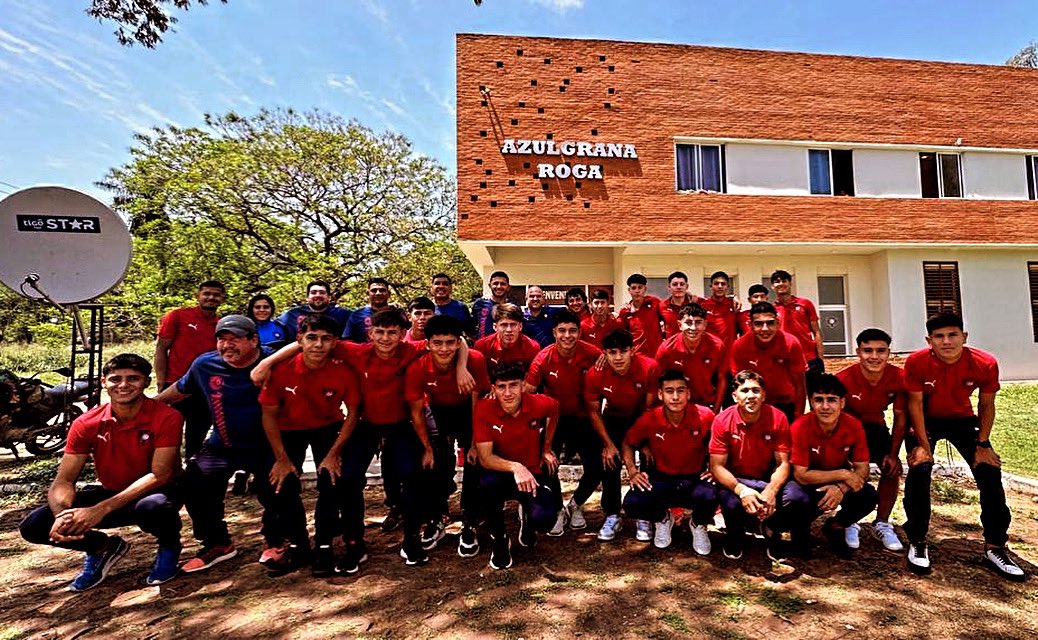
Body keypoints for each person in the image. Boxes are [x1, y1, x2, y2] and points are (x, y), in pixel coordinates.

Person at [253, 309, 449, 567]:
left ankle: (411, 538)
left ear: (403, 335)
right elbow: (307, 343)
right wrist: (267, 363)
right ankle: (354, 541)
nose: (386, 338)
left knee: (413, 476)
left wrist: (426, 445)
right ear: (370, 333)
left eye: (392, 333)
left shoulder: (412, 351)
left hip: (400, 425)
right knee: (347, 481)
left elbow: (456, 341)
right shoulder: (354, 351)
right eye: (380, 332)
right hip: (364, 425)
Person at [19, 354, 184, 591]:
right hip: (112, 492)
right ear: (104, 382)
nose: (124, 385)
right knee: (34, 525)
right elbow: (64, 480)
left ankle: (169, 546)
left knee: (154, 507)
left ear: (146, 382)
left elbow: (161, 474)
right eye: (116, 379)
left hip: (156, 492)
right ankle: (102, 548)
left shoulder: (167, 417)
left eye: (133, 379)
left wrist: (100, 509)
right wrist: (63, 516)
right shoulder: (86, 423)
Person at [901, 312, 1024, 580]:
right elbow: (914, 405)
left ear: (964, 337)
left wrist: (983, 444)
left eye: (952, 335)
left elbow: (986, 404)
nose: (946, 341)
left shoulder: (985, 363)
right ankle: (918, 541)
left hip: (963, 420)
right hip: (926, 420)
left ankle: (995, 547)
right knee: (920, 470)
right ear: (929, 340)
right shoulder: (917, 361)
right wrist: (923, 445)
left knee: (989, 473)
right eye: (939, 336)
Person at [155, 316, 280, 574]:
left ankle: (276, 540)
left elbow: (305, 345)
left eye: (235, 339)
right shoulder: (205, 364)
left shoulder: (275, 360)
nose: (227, 345)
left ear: (254, 340)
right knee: (196, 485)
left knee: (277, 492)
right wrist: (148, 406)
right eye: (222, 339)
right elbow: (180, 389)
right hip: (222, 444)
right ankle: (217, 543)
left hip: (268, 446)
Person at [258, 315, 362, 577]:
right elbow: (268, 415)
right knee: (283, 484)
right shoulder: (281, 370)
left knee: (331, 482)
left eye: (326, 339)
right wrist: (281, 458)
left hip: (327, 428)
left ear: (335, 342)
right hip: (288, 430)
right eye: (312, 338)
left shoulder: (342, 370)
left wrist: (334, 453)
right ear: (299, 340)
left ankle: (325, 545)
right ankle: (298, 544)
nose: (319, 345)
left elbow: (352, 413)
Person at [405, 315, 490, 556]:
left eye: (450, 342)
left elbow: (479, 403)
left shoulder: (475, 359)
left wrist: (474, 443)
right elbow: (416, 411)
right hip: (439, 411)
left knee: (475, 463)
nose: (444, 349)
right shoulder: (418, 366)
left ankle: (470, 521)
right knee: (436, 464)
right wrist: (427, 447)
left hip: (469, 411)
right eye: (438, 343)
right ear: (427, 343)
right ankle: (436, 517)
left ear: (458, 342)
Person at [472, 362, 560, 570]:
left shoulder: (538, 403)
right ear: (493, 389)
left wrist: (546, 447)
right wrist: (516, 467)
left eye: (514, 385)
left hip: (531, 473)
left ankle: (528, 519)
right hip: (500, 472)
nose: (508, 392)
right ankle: (500, 539)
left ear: (523, 386)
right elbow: (485, 458)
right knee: (485, 486)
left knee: (545, 520)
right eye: (501, 387)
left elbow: (554, 410)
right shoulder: (483, 409)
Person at [709, 370, 805, 560]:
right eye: (745, 391)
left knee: (796, 497)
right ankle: (735, 535)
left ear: (764, 395)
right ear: (734, 396)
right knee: (730, 501)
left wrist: (771, 491)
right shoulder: (721, 420)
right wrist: (742, 491)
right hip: (737, 481)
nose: (751, 396)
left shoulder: (778, 417)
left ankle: (772, 529)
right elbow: (717, 467)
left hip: (766, 479)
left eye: (756, 390)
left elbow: (783, 463)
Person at [523, 309, 602, 535]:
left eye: (573, 331)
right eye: (562, 331)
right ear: (554, 332)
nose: (568, 335)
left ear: (579, 332)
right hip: (553, 420)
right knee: (548, 465)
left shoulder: (593, 354)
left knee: (596, 468)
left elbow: (610, 376)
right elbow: (527, 393)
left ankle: (575, 506)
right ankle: (557, 509)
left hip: (584, 418)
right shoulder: (543, 358)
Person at [621, 369, 717, 554]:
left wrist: (715, 468)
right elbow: (627, 442)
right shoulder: (650, 418)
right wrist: (633, 471)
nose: (675, 397)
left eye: (680, 391)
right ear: (660, 394)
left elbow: (721, 444)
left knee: (712, 494)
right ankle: (663, 519)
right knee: (632, 502)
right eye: (669, 391)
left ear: (688, 394)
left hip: (694, 478)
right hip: (661, 479)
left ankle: (698, 524)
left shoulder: (706, 416)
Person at [789, 373, 878, 558]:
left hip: (836, 481)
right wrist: (844, 474)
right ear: (811, 402)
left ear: (842, 403)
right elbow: (801, 475)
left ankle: (835, 527)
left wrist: (841, 488)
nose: (825, 406)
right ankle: (799, 530)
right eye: (819, 400)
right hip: (806, 482)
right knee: (793, 497)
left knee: (868, 496)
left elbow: (863, 468)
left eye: (832, 400)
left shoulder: (853, 426)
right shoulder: (800, 426)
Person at [583, 329, 658, 542]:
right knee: (609, 460)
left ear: (632, 350)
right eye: (612, 352)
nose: (618, 358)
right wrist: (608, 444)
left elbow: (650, 408)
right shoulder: (595, 373)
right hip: (613, 418)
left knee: (649, 458)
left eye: (623, 351)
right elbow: (593, 411)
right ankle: (612, 513)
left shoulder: (648, 367)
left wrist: (642, 441)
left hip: (642, 417)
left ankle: (644, 514)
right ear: (604, 353)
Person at [835, 328, 907, 552]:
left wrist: (894, 453)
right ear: (858, 352)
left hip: (875, 426)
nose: (874, 356)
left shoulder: (899, 377)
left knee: (891, 469)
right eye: (868, 351)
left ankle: (883, 523)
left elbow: (901, 416)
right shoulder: (844, 379)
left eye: (880, 351)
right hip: (847, 428)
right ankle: (850, 519)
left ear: (889, 352)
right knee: (853, 470)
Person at [154, 279, 224, 458]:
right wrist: (161, 381)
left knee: (198, 434)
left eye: (216, 295)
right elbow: (162, 348)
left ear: (222, 298)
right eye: (207, 294)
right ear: (198, 296)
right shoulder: (177, 316)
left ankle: (192, 474)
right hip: (175, 384)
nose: (211, 298)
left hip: (205, 388)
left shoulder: (222, 324)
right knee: (170, 434)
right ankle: (168, 474)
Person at [729, 301, 807, 422]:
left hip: (784, 404)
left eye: (770, 323)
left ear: (778, 323)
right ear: (750, 325)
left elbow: (800, 384)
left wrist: (798, 417)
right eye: (758, 324)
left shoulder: (791, 343)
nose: (765, 329)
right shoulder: (740, 346)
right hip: (754, 405)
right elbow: (738, 385)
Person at [655, 303, 725, 413]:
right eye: (688, 323)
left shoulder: (717, 346)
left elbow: (722, 379)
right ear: (679, 324)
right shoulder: (667, 349)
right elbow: (659, 383)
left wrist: (716, 409)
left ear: (705, 324)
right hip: (678, 407)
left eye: (698, 322)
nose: (693, 328)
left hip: (707, 404)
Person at [770, 270, 825, 374]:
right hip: (785, 359)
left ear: (790, 283)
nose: (781, 283)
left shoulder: (805, 304)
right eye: (777, 281)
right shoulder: (772, 309)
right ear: (772, 286)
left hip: (809, 358)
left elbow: (816, 331)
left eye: (784, 281)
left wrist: (820, 358)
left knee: (812, 389)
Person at [473, 303, 542, 372]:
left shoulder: (532, 347)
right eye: (504, 325)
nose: (509, 330)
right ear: (495, 327)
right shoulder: (482, 346)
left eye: (513, 325)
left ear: (520, 326)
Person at [277, 280, 352, 341]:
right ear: (307, 298)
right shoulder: (291, 314)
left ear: (329, 297)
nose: (318, 295)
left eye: (322, 292)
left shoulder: (344, 314)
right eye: (313, 292)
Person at [618, 273, 667, 356]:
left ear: (645, 289)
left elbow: (669, 314)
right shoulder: (625, 312)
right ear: (629, 290)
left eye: (640, 287)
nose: (637, 291)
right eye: (633, 288)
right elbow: (622, 336)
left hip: (657, 354)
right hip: (637, 355)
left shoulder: (654, 303)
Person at [700, 271, 740, 354]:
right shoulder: (703, 306)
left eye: (723, 284)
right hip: (710, 353)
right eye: (716, 283)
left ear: (727, 287)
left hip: (730, 353)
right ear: (711, 286)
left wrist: (734, 297)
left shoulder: (733, 304)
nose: (720, 286)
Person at [345, 277, 394, 343]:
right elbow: (347, 341)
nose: (378, 293)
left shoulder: (398, 314)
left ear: (389, 293)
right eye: (374, 290)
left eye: (382, 290)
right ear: (368, 293)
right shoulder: (356, 315)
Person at [472, 271, 512, 340]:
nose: (499, 286)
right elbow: (470, 328)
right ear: (489, 285)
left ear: (508, 287)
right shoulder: (480, 304)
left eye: (503, 284)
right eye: (495, 283)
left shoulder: (513, 306)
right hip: (483, 348)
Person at [659, 271, 698, 337]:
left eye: (682, 284)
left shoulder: (696, 303)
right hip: (671, 345)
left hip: (691, 344)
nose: (678, 287)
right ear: (669, 287)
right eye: (675, 284)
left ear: (687, 286)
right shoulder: (662, 306)